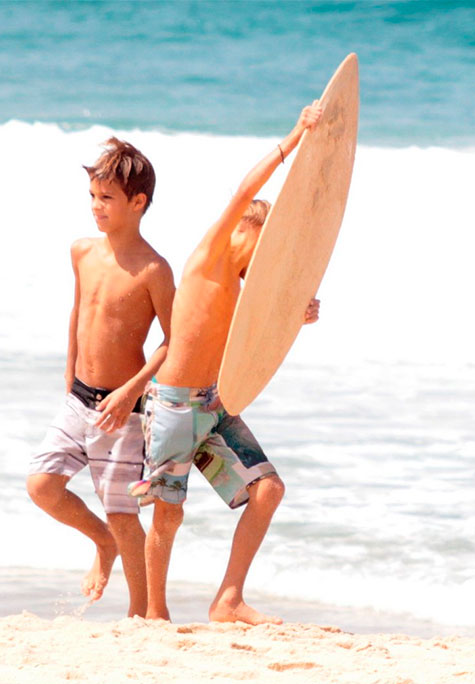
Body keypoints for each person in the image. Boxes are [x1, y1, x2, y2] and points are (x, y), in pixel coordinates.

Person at [130, 102, 323, 625]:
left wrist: (298, 314)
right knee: (168, 515)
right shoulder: (210, 256)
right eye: (264, 248)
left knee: (269, 488)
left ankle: (228, 599)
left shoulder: (245, 291)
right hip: (172, 407)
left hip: (216, 405)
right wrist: (295, 137)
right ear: (246, 230)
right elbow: (243, 190)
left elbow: (262, 345)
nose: (266, 262)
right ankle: (154, 613)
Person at [26, 138, 175, 617]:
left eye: (106, 198)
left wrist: (132, 391)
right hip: (78, 398)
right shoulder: (82, 251)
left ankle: (139, 612)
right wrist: (69, 375)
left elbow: (175, 342)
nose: (96, 206)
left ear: (138, 203)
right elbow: (79, 312)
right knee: (42, 486)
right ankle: (102, 543)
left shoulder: (154, 270)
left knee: (122, 512)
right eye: (92, 196)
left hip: (122, 410)